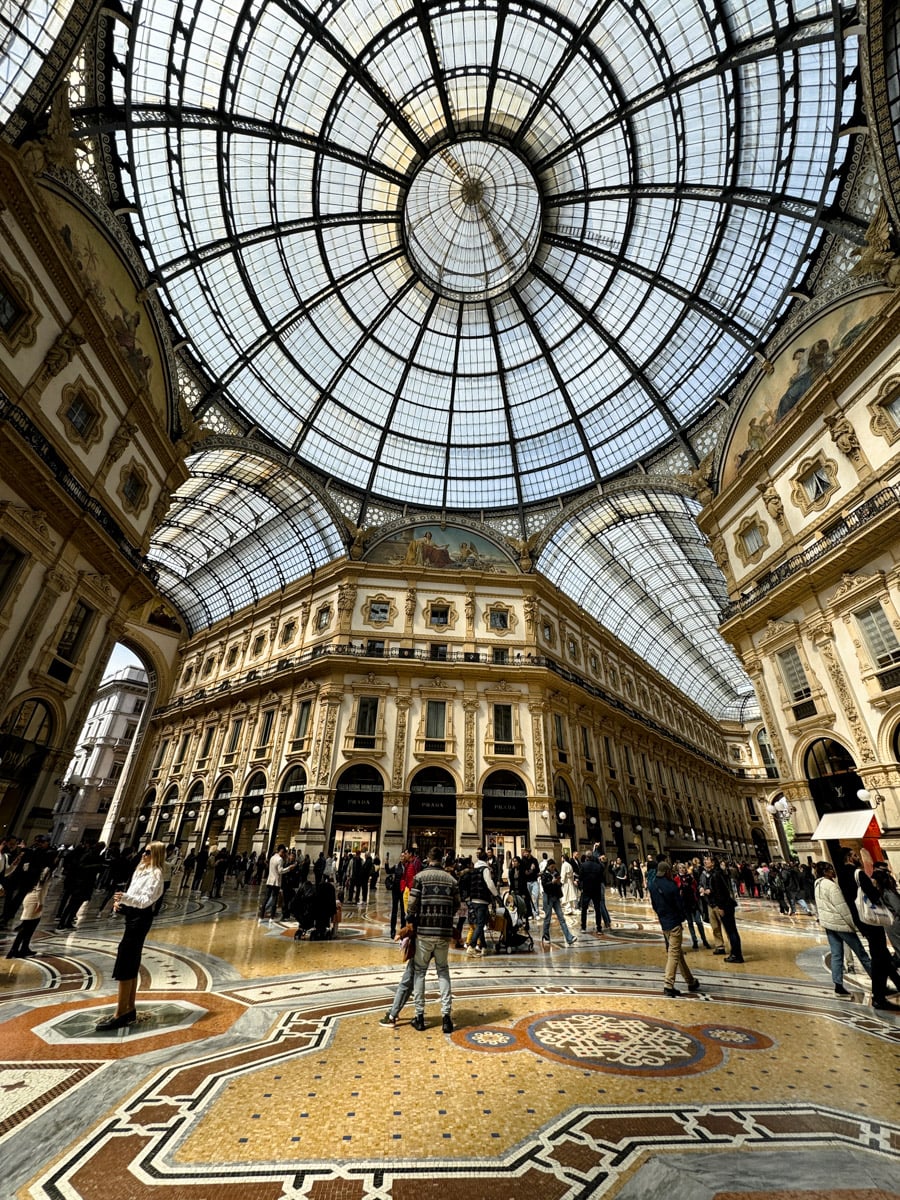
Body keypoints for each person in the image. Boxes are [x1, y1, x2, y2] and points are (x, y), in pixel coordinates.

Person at [95, 843, 165, 1030]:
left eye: (148, 852)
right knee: (130, 959)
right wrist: (121, 903)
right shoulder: (141, 870)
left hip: (141, 919)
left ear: (156, 854)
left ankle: (120, 1013)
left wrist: (125, 898)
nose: (143, 854)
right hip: (133, 916)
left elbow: (145, 901)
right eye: (144, 850)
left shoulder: (156, 873)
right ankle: (129, 1008)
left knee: (126, 957)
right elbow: (134, 895)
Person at [405, 844, 460, 1032]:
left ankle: (419, 1017)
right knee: (443, 971)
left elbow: (412, 905)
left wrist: (410, 919)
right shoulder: (451, 880)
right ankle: (446, 1018)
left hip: (424, 933)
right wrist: (446, 916)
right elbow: (457, 905)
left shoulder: (420, 878)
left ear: (428, 859)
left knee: (420, 972)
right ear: (442, 860)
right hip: (443, 933)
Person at [813, 861, 872, 997]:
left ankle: (838, 986)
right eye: (831, 870)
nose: (833, 872)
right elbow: (842, 908)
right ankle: (878, 981)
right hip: (841, 924)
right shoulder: (832, 886)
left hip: (829, 924)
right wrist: (854, 925)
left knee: (836, 955)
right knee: (861, 953)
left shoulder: (817, 884)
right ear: (825, 871)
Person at [648, 860, 701, 998]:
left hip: (664, 922)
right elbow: (679, 905)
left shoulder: (652, 885)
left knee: (677, 952)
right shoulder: (671, 886)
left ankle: (691, 981)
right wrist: (681, 917)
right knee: (673, 953)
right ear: (667, 872)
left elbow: (654, 905)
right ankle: (668, 984)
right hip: (674, 923)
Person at [6, 849, 57, 958]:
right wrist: (40, 903)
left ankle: (24, 947)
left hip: (32, 898)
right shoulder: (46, 870)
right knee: (26, 926)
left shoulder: (42, 868)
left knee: (31, 926)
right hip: (34, 900)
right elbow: (40, 888)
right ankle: (14, 950)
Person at [703, 854, 744, 962]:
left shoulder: (716, 875)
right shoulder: (719, 873)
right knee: (732, 930)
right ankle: (736, 953)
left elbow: (720, 893)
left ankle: (736, 955)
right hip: (727, 904)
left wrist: (720, 907)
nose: (705, 862)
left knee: (731, 931)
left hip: (724, 905)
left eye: (707, 860)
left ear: (713, 863)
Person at [466, 848, 499, 955]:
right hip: (482, 900)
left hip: (474, 899)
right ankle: (471, 945)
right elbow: (489, 884)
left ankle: (483, 946)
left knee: (480, 923)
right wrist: (497, 895)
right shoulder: (485, 869)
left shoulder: (474, 869)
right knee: (480, 924)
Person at [541, 859, 577, 946]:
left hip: (556, 898)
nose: (553, 868)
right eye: (552, 867)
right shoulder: (544, 874)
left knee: (561, 918)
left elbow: (560, 883)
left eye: (554, 867)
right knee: (547, 918)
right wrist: (551, 883)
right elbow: (544, 886)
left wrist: (558, 883)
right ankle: (546, 936)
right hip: (548, 898)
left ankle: (569, 938)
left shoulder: (556, 872)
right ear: (548, 866)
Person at [261, 845, 287, 918]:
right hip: (276, 882)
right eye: (284, 852)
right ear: (281, 851)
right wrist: (289, 868)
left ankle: (261, 915)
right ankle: (271, 917)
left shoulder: (272, 857)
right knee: (274, 900)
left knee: (266, 898)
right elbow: (280, 871)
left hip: (269, 880)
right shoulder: (280, 859)